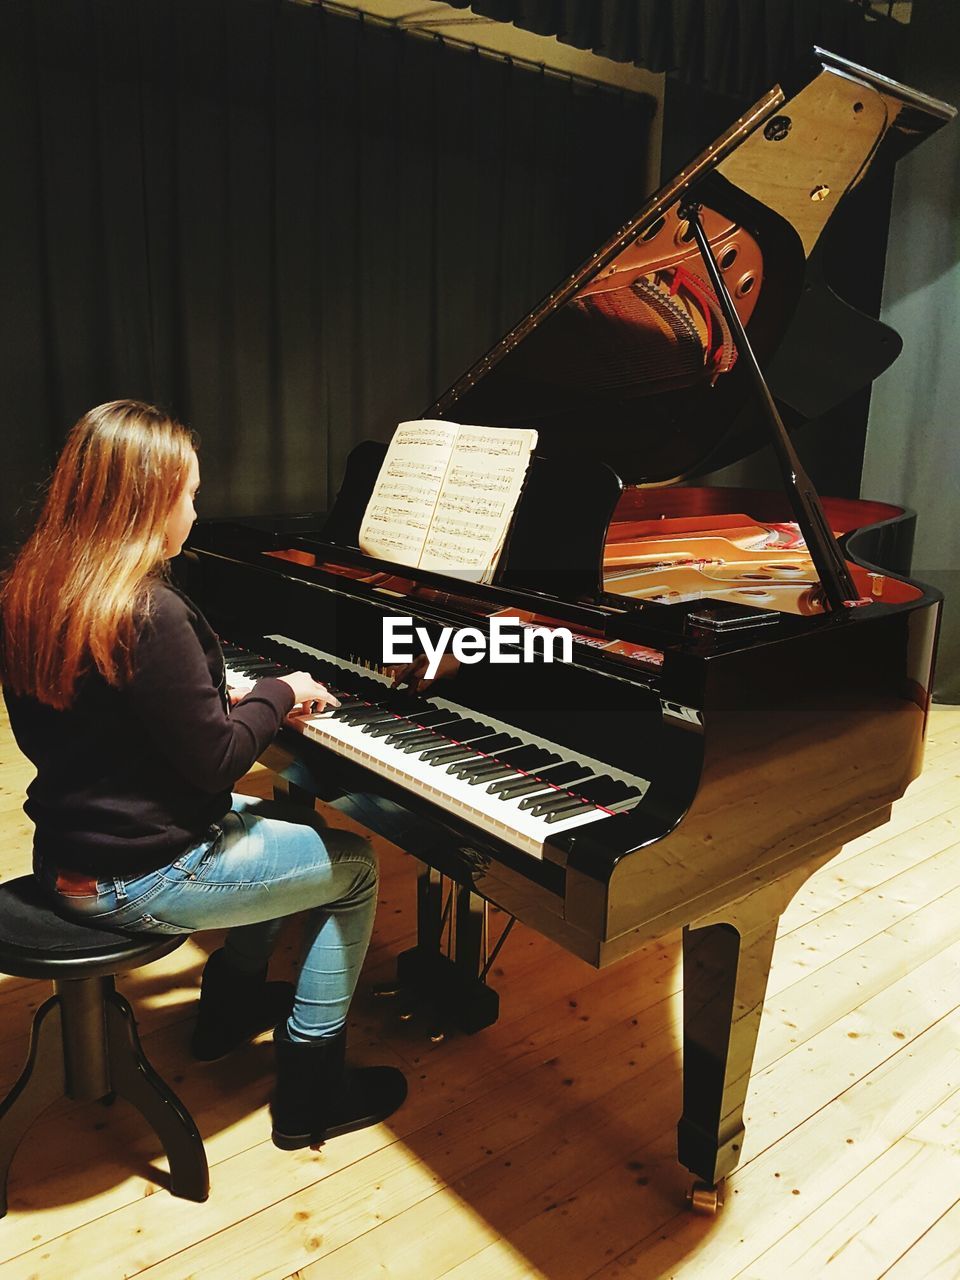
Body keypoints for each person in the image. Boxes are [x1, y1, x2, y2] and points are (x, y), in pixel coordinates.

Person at [0, 399, 408, 1151]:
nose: (197, 508)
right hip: (140, 876)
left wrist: (201, 706)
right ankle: (312, 1094)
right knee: (353, 866)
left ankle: (231, 1007)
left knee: (292, 829)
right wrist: (278, 694)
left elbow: (69, 727)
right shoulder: (148, 609)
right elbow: (220, 759)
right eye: (190, 494)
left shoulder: (35, 586)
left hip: (66, 855)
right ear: (149, 501)